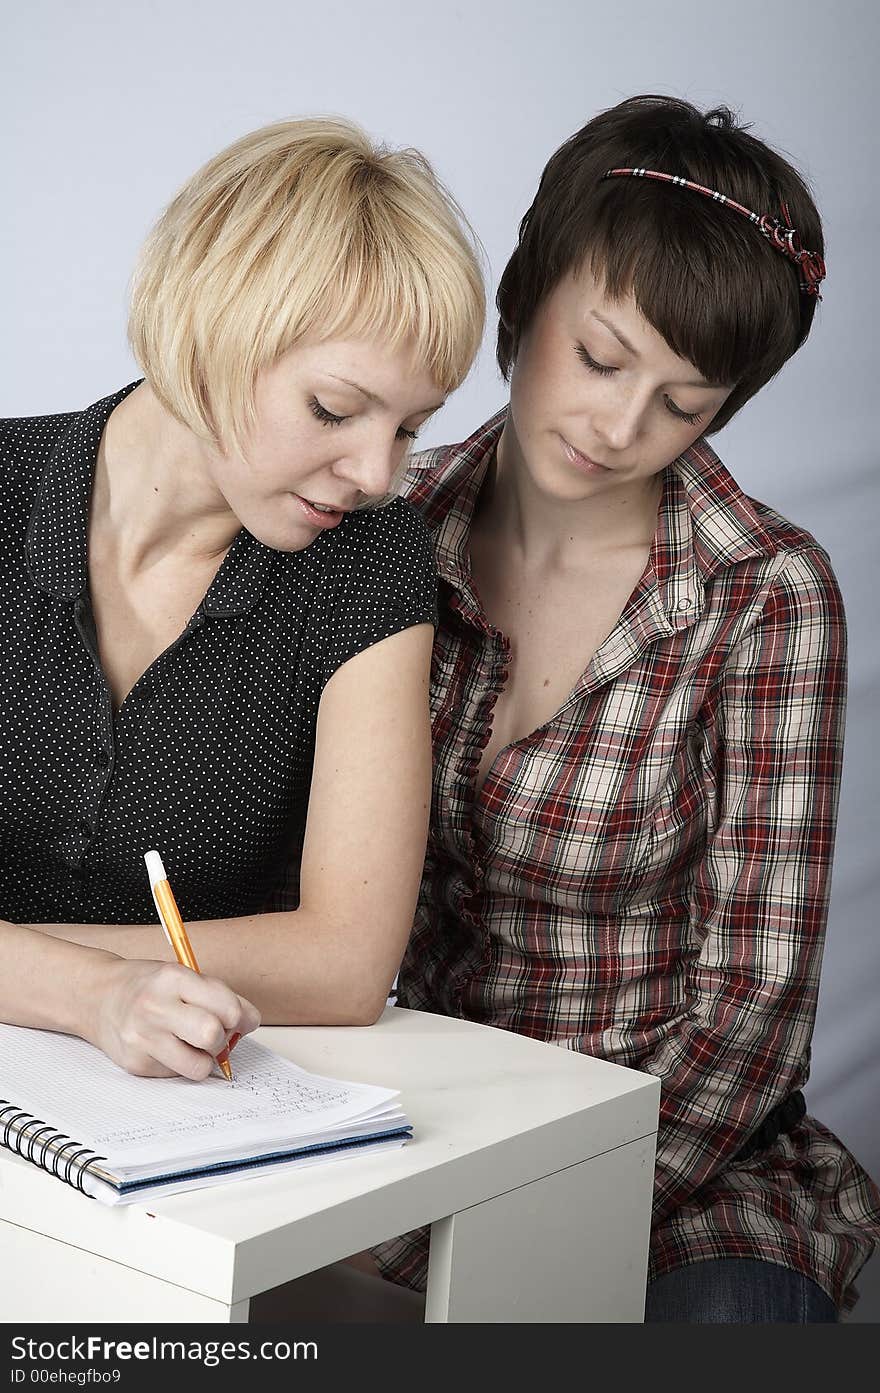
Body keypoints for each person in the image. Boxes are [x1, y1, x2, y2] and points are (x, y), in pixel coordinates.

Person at [367, 95, 880, 1322]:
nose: (617, 426)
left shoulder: (764, 593)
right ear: (527, 294)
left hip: (679, 1165)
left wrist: (537, 1209)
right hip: (388, 1144)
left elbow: (754, 1010)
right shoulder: (383, 528)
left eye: (683, 403)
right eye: (600, 357)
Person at [0, 118, 484, 1083]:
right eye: (336, 410)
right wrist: (83, 990)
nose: (376, 471)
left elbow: (347, 965)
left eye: (410, 428)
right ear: (211, 329)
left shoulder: (369, 560)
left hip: (185, 1127)